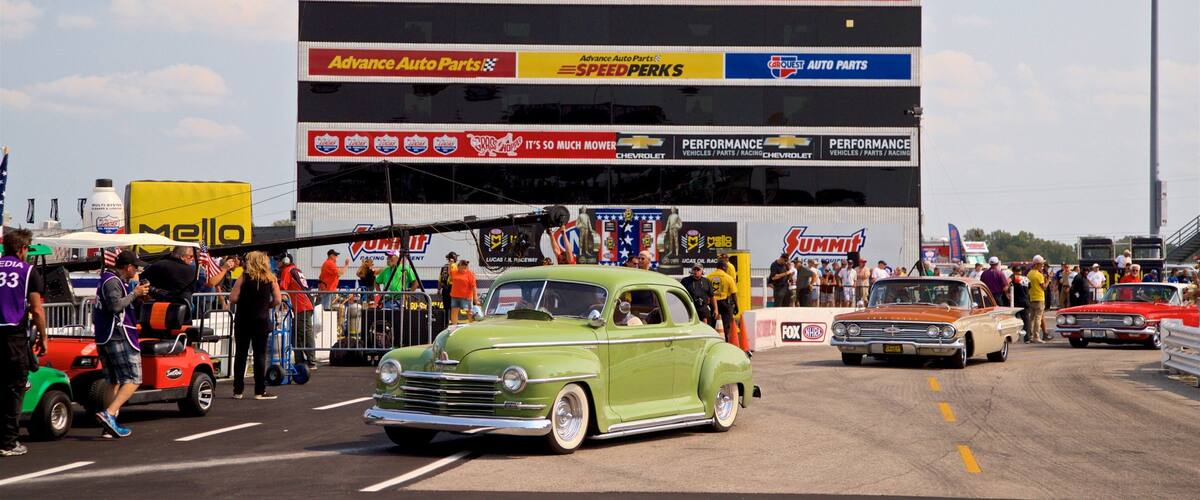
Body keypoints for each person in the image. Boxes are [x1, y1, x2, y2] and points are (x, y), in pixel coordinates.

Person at [92, 250, 150, 439]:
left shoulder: (109, 279)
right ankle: (109, 414)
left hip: (106, 335)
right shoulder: (112, 281)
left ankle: (110, 423)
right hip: (118, 334)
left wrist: (137, 297)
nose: (137, 271)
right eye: (136, 267)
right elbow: (116, 306)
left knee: (113, 381)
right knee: (134, 379)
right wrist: (135, 293)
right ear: (128, 267)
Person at [0, 230, 48, 456]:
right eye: (27, 248)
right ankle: (8, 442)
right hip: (13, 337)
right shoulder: (28, 272)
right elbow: (37, 309)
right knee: (14, 389)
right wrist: (43, 336)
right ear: (21, 249)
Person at [229, 252, 282, 400]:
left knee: (241, 354)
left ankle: (238, 390)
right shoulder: (270, 279)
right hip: (261, 320)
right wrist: (267, 305)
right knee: (260, 355)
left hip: (243, 319)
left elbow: (232, 298)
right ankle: (260, 390)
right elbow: (278, 300)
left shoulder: (244, 278)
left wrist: (244, 301)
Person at [278, 254, 316, 370]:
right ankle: (300, 361)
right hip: (303, 305)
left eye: (278, 260)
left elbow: (282, 289)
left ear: (285, 261)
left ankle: (311, 361)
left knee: (304, 333)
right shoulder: (295, 269)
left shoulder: (287, 270)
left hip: (301, 306)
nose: (277, 263)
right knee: (296, 335)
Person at [708, 265, 738, 345]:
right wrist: (736, 306)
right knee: (725, 324)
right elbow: (733, 293)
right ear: (724, 268)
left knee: (713, 324)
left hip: (712, 303)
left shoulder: (709, 276)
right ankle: (725, 342)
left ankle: (713, 342)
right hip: (724, 303)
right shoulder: (728, 278)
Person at [449, 260, 478, 325]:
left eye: (465, 267)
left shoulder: (470, 274)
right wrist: (450, 265)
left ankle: (472, 326)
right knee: (454, 312)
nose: (464, 268)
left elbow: (474, 286)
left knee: (469, 313)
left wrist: (475, 298)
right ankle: (454, 326)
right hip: (455, 296)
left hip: (466, 297)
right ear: (458, 266)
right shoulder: (454, 272)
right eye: (462, 267)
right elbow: (450, 273)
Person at [1027, 258, 1048, 344]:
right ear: (1036, 264)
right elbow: (1044, 287)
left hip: (1032, 297)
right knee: (1038, 318)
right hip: (1039, 298)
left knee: (1031, 318)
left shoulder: (1029, 274)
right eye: (1041, 265)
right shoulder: (1039, 275)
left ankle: (1031, 336)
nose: (1042, 267)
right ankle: (1036, 337)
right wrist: (1049, 280)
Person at [1011, 266, 1030, 341]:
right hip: (1025, 300)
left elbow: (1008, 284)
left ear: (1014, 271)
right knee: (1026, 320)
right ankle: (1027, 337)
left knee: (1014, 319)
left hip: (1016, 302)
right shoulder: (1026, 278)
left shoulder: (1014, 278)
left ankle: (1015, 337)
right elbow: (1030, 287)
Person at [437, 252, 457, 325]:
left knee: (446, 308)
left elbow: (439, 279)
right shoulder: (455, 266)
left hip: (444, 289)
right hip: (452, 288)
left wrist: (438, 289)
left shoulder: (444, 267)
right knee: (453, 307)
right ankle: (453, 323)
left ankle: (445, 323)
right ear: (454, 258)